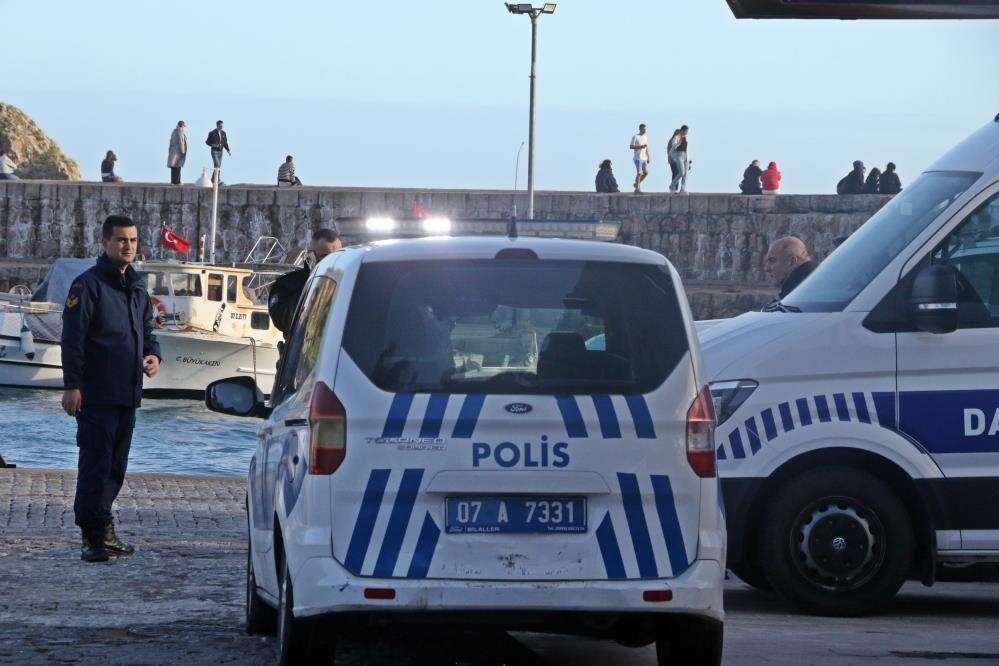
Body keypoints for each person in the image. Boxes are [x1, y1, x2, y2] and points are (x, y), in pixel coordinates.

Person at [61, 215, 161, 563]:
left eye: (133, 240)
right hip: (96, 394)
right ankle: (92, 537)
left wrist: (153, 356)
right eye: (121, 240)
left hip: (127, 394)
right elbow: (72, 340)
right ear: (104, 243)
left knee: (115, 468)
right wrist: (72, 386)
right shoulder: (86, 286)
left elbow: (147, 332)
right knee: (95, 465)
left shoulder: (136, 288)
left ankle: (104, 529)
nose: (128, 246)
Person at [268, 229, 342, 337]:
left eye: (339, 257)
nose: (333, 263)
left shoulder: (347, 284)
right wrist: (313, 284)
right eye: (326, 257)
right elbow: (284, 322)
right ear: (312, 257)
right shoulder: (286, 285)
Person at [667, 125, 691, 193]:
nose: (687, 132)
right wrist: (678, 143)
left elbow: (687, 149)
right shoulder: (676, 137)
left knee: (685, 174)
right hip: (678, 155)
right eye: (686, 131)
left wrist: (689, 160)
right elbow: (673, 146)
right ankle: (672, 185)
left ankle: (683, 189)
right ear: (682, 130)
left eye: (687, 131)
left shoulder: (686, 138)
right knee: (681, 172)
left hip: (685, 156)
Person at [629, 124, 650, 193]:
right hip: (637, 158)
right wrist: (640, 147)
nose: (645, 130)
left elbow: (646, 148)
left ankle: (636, 184)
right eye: (643, 129)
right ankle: (637, 189)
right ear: (640, 129)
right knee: (639, 173)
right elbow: (631, 146)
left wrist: (648, 157)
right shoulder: (635, 136)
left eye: (645, 129)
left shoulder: (646, 137)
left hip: (644, 158)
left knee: (646, 173)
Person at [167, 121, 188, 185]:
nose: (184, 128)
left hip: (173, 152)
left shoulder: (174, 131)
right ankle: (177, 182)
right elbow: (181, 143)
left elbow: (171, 142)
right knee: (178, 167)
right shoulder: (180, 132)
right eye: (184, 126)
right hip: (178, 152)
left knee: (173, 167)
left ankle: (173, 181)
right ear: (181, 126)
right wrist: (183, 152)